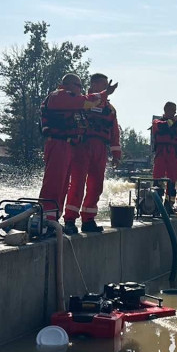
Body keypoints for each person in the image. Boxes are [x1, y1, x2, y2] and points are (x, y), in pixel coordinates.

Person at [38, 74, 114, 224]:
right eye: (79, 86)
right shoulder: (59, 96)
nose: (81, 90)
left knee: (63, 185)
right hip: (58, 143)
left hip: (68, 145)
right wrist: (105, 94)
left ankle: (53, 220)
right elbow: (85, 102)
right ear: (69, 85)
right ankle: (47, 220)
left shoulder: (71, 100)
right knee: (54, 183)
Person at [63, 73, 122, 234]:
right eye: (102, 84)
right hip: (83, 145)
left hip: (101, 148)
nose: (105, 87)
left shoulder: (110, 109)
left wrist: (116, 153)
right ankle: (69, 219)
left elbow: (114, 132)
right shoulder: (83, 101)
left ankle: (88, 219)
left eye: (106, 85)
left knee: (96, 185)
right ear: (93, 85)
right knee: (77, 183)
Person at [151, 102, 177, 212]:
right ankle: (156, 206)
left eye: (175, 110)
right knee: (158, 179)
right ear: (166, 110)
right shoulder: (157, 122)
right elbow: (162, 127)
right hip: (161, 153)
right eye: (173, 110)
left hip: (174, 154)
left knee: (172, 180)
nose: (175, 112)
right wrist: (173, 122)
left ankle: (169, 205)